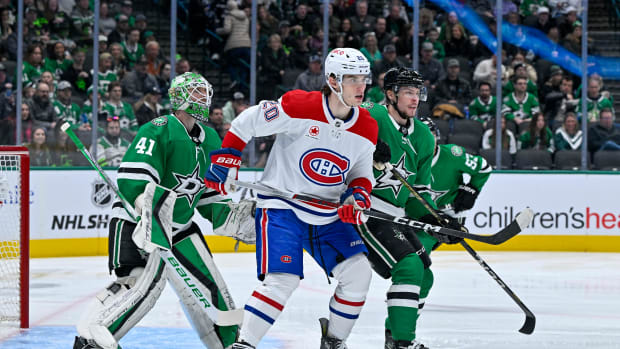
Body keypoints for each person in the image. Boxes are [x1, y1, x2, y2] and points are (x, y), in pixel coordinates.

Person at [204, 48, 377, 349]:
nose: (361, 87)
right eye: (352, 79)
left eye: (364, 78)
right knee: (283, 280)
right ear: (333, 80)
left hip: (328, 214)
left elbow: (361, 173)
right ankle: (244, 344)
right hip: (283, 207)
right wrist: (228, 156)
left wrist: (357, 197)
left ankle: (334, 341)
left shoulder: (367, 126)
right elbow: (248, 121)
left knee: (359, 272)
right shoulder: (299, 105)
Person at [73, 72, 255, 349]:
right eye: (195, 93)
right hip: (137, 221)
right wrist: (148, 210)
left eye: (204, 92)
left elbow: (207, 194)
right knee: (141, 285)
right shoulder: (158, 128)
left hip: (179, 228)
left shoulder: (210, 139)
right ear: (179, 98)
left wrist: (231, 216)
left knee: (213, 291)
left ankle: (229, 344)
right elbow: (135, 180)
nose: (203, 99)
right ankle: (91, 341)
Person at [360, 67, 463, 349]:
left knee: (424, 276)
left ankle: (394, 338)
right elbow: (340, 122)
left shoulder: (424, 137)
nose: (415, 99)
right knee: (409, 268)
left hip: (392, 216)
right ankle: (405, 344)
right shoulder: (372, 113)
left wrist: (439, 221)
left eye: (418, 92)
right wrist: (366, 144)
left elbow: (416, 197)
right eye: (408, 92)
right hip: (362, 209)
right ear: (390, 94)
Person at [419, 116, 491, 217]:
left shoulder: (452, 155)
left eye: (432, 135)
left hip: (450, 213)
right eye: (424, 137)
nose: (430, 141)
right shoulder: (407, 159)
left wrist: (472, 189)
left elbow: (484, 167)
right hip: (418, 214)